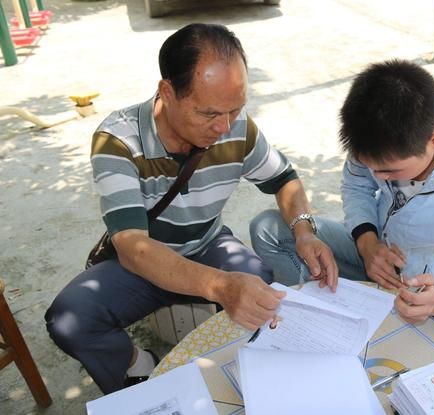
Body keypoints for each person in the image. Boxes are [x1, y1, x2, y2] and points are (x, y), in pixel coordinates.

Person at [44, 23, 337, 394]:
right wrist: (220, 285)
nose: (224, 126)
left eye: (236, 109)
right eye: (209, 113)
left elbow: (284, 179)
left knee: (258, 286)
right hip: (141, 261)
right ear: (167, 91)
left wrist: (304, 230)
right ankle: (136, 365)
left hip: (207, 245)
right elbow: (134, 248)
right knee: (71, 321)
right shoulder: (118, 140)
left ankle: (238, 380)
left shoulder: (237, 127)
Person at [251, 59, 434, 324]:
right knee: (269, 227)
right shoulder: (378, 132)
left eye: (388, 172)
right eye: (369, 166)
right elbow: (356, 184)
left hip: (415, 292)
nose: (377, 177)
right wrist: (367, 242)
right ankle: (313, 315)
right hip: (369, 256)